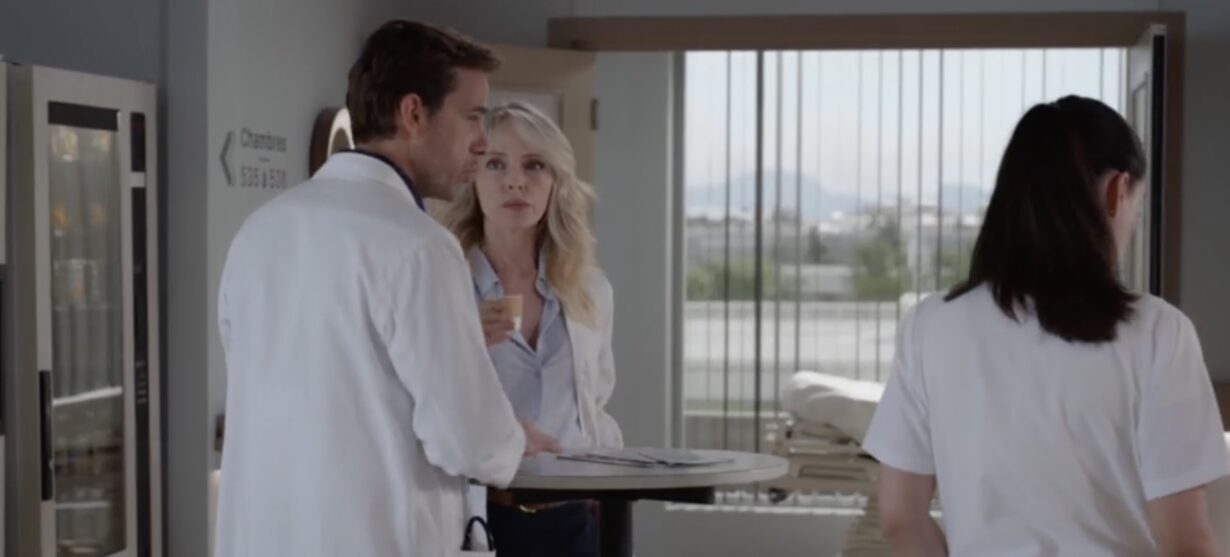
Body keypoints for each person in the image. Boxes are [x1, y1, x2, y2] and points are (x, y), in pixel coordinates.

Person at [215, 21, 559, 557]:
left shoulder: (259, 232)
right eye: (472, 116)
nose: (481, 141)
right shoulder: (420, 246)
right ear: (414, 114)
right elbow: (469, 440)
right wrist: (517, 438)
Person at [864, 95, 1228, 557]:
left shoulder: (930, 326)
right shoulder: (1158, 333)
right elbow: (1185, 543)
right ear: (1117, 191)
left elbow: (900, 518)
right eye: (1137, 208)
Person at [442, 102, 622, 557]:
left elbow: (594, 404)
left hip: (574, 521)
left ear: (556, 181)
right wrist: (462, 340)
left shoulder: (591, 291)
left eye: (535, 165)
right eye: (495, 164)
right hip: (478, 517)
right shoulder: (442, 284)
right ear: (472, 177)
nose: (515, 181)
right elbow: (420, 402)